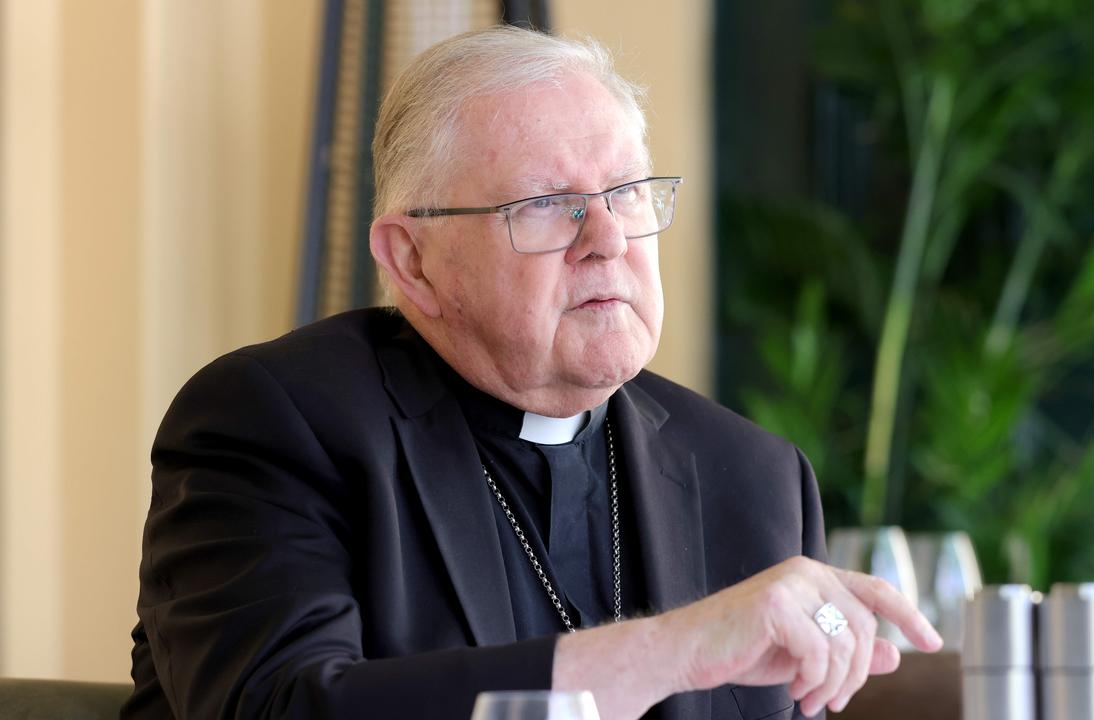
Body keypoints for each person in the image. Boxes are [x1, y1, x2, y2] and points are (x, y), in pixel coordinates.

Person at [123, 25, 940, 720]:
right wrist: (671, 650)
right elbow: (282, 706)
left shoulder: (752, 476)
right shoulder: (277, 422)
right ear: (413, 262)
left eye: (626, 191)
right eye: (546, 204)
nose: (610, 238)